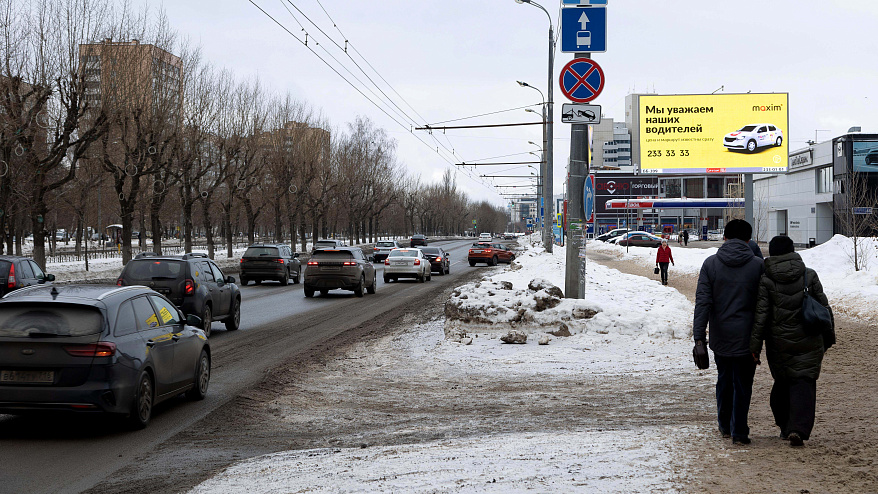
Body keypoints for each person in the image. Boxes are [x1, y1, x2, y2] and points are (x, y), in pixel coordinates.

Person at [750, 235, 831, 447]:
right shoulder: (809, 275)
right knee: (804, 383)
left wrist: (755, 348)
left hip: (779, 343)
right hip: (810, 341)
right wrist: (829, 339)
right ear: (793, 251)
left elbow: (761, 316)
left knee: (783, 384)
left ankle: (786, 426)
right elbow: (824, 309)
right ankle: (799, 429)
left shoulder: (766, 280)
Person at [693, 219, 765, 445]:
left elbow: (703, 302)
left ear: (724, 237)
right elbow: (764, 305)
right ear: (748, 239)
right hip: (748, 337)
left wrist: (698, 338)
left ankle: (724, 425)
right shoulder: (757, 265)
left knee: (724, 380)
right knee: (743, 383)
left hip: (721, 336)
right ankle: (740, 431)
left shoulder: (710, 264)